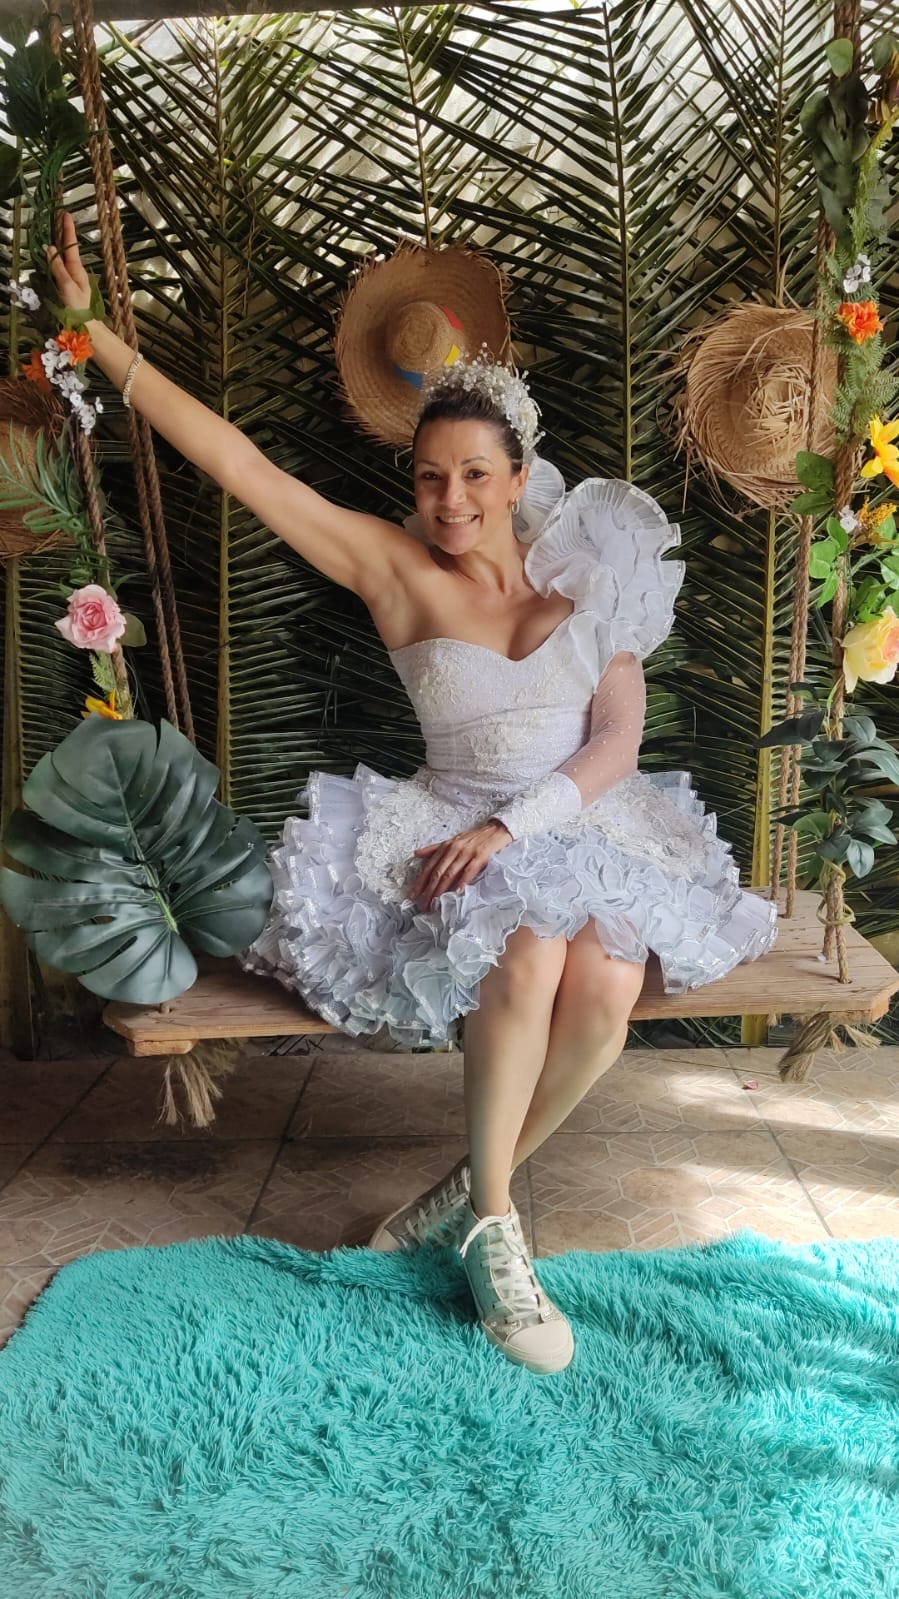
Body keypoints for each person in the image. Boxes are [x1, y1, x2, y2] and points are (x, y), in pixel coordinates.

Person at [46, 216, 778, 1377]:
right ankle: (493, 1227)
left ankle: (459, 1190)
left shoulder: (595, 571)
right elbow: (243, 467)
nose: (450, 499)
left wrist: (513, 826)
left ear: (517, 477)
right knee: (528, 953)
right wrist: (103, 344)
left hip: (577, 820)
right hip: (448, 823)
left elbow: (615, 743)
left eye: (474, 475)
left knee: (603, 984)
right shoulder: (392, 569)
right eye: (431, 477)